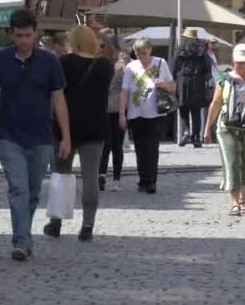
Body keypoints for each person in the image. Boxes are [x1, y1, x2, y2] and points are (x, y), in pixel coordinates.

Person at [0, 9, 71, 261]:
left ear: (35, 33)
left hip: (41, 137)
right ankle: (21, 241)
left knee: (33, 191)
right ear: (11, 34)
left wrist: (66, 135)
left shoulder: (49, 61)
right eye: (19, 35)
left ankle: (23, 236)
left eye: (28, 35)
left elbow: (59, 100)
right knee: (18, 189)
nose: (24, 40)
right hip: (8, 135)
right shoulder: (1, 59)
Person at [42, 26, 113, 241]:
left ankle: (56, 223)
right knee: (90, 177)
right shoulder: (105, 66)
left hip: (67, 128)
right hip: (95, 127)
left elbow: (56, 93)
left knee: (61, 174)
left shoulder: (64, 63)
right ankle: (88, 225)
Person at [203, 44, 245, 216]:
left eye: (244, 63)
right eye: (238, 62)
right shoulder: (224, 79)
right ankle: (233, 201)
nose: (240, 66)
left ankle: (243, 199)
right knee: (231, 163)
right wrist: (207, 128)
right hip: (226, 127)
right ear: (233, 60)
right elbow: (215, 104)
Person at [119, 38, 175, 194]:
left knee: (152, 147)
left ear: (150, 50)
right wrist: (122, 114)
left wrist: (162, 84)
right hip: (135, 113)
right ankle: (143, 180)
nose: (141, 56)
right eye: (137, 53)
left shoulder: (160, 63)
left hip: (156, 113)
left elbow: (172, 86)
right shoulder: (131, 67)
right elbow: (124, 91)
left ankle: (151, 181)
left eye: (144, 52)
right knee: (140, 148)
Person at [172, 28, 212, 148]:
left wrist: (174, 82)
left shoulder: (179, 50)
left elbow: (174, 68)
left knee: (183, 109)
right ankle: (196, 137)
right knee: (196, 111)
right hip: (197, 83)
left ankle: (185, 132)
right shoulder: (201, 51)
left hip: (182, 82)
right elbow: (207, 69)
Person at [98, 31, 126, 192]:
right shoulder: (98, 62)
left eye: (104, 45)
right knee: (104, 145)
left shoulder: (122, 65)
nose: (102, 49)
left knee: (117, 145)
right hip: (102, 108)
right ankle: (101, 175)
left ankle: (116, 178)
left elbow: (124, 89)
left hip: (117, 107)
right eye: (101, 45)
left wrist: (123, 113)